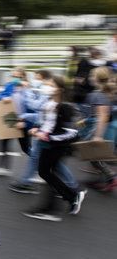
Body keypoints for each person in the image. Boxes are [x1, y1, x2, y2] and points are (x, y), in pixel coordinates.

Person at [23, 75, 86, 222]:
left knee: (46, 173)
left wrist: (45, 136)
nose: (45, 85)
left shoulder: (65, 106)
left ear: (60, 89)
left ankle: (52, 209)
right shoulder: (50, 102)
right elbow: (48, 123)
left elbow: (70, 132)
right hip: (48, 143)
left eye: (50, 83)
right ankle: (71, 196)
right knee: (45, 173)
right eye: (46, 82)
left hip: (58, 146)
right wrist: (38, 129)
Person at [9, 70, 79, 194]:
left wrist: (27, 90)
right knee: (39, 161)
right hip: (44, 134)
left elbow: (36, 106)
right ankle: (27, 182)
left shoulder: (54, 100)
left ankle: (70, 188)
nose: (41, 84)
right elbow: (43, 116)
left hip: (50, 138)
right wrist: (36, 125)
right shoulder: (48, 96)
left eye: (41, 80)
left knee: (50, 166)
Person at [0, 67, 30, 176]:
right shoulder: (9, 86)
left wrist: (26, 123)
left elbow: (34, 109)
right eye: (14, 76)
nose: (16, 79)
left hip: (23, 122)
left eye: (19, 77)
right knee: (3, 143)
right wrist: (3, 98)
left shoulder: (28, 90)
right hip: (10, 119)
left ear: (24, 77)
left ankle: (41, 168)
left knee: (26, 148)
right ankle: (2, 167)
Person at [79, 66, 117, 191]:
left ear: (97, 78)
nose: (90, 78)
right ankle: (104, 180)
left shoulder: (98, 94)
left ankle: (111, 177)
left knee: (92, 153)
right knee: (98, 154)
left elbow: (103, 116)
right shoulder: (110, 92)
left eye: (92, 75)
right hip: (110, 126)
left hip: (102, 127)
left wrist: (98, 136)